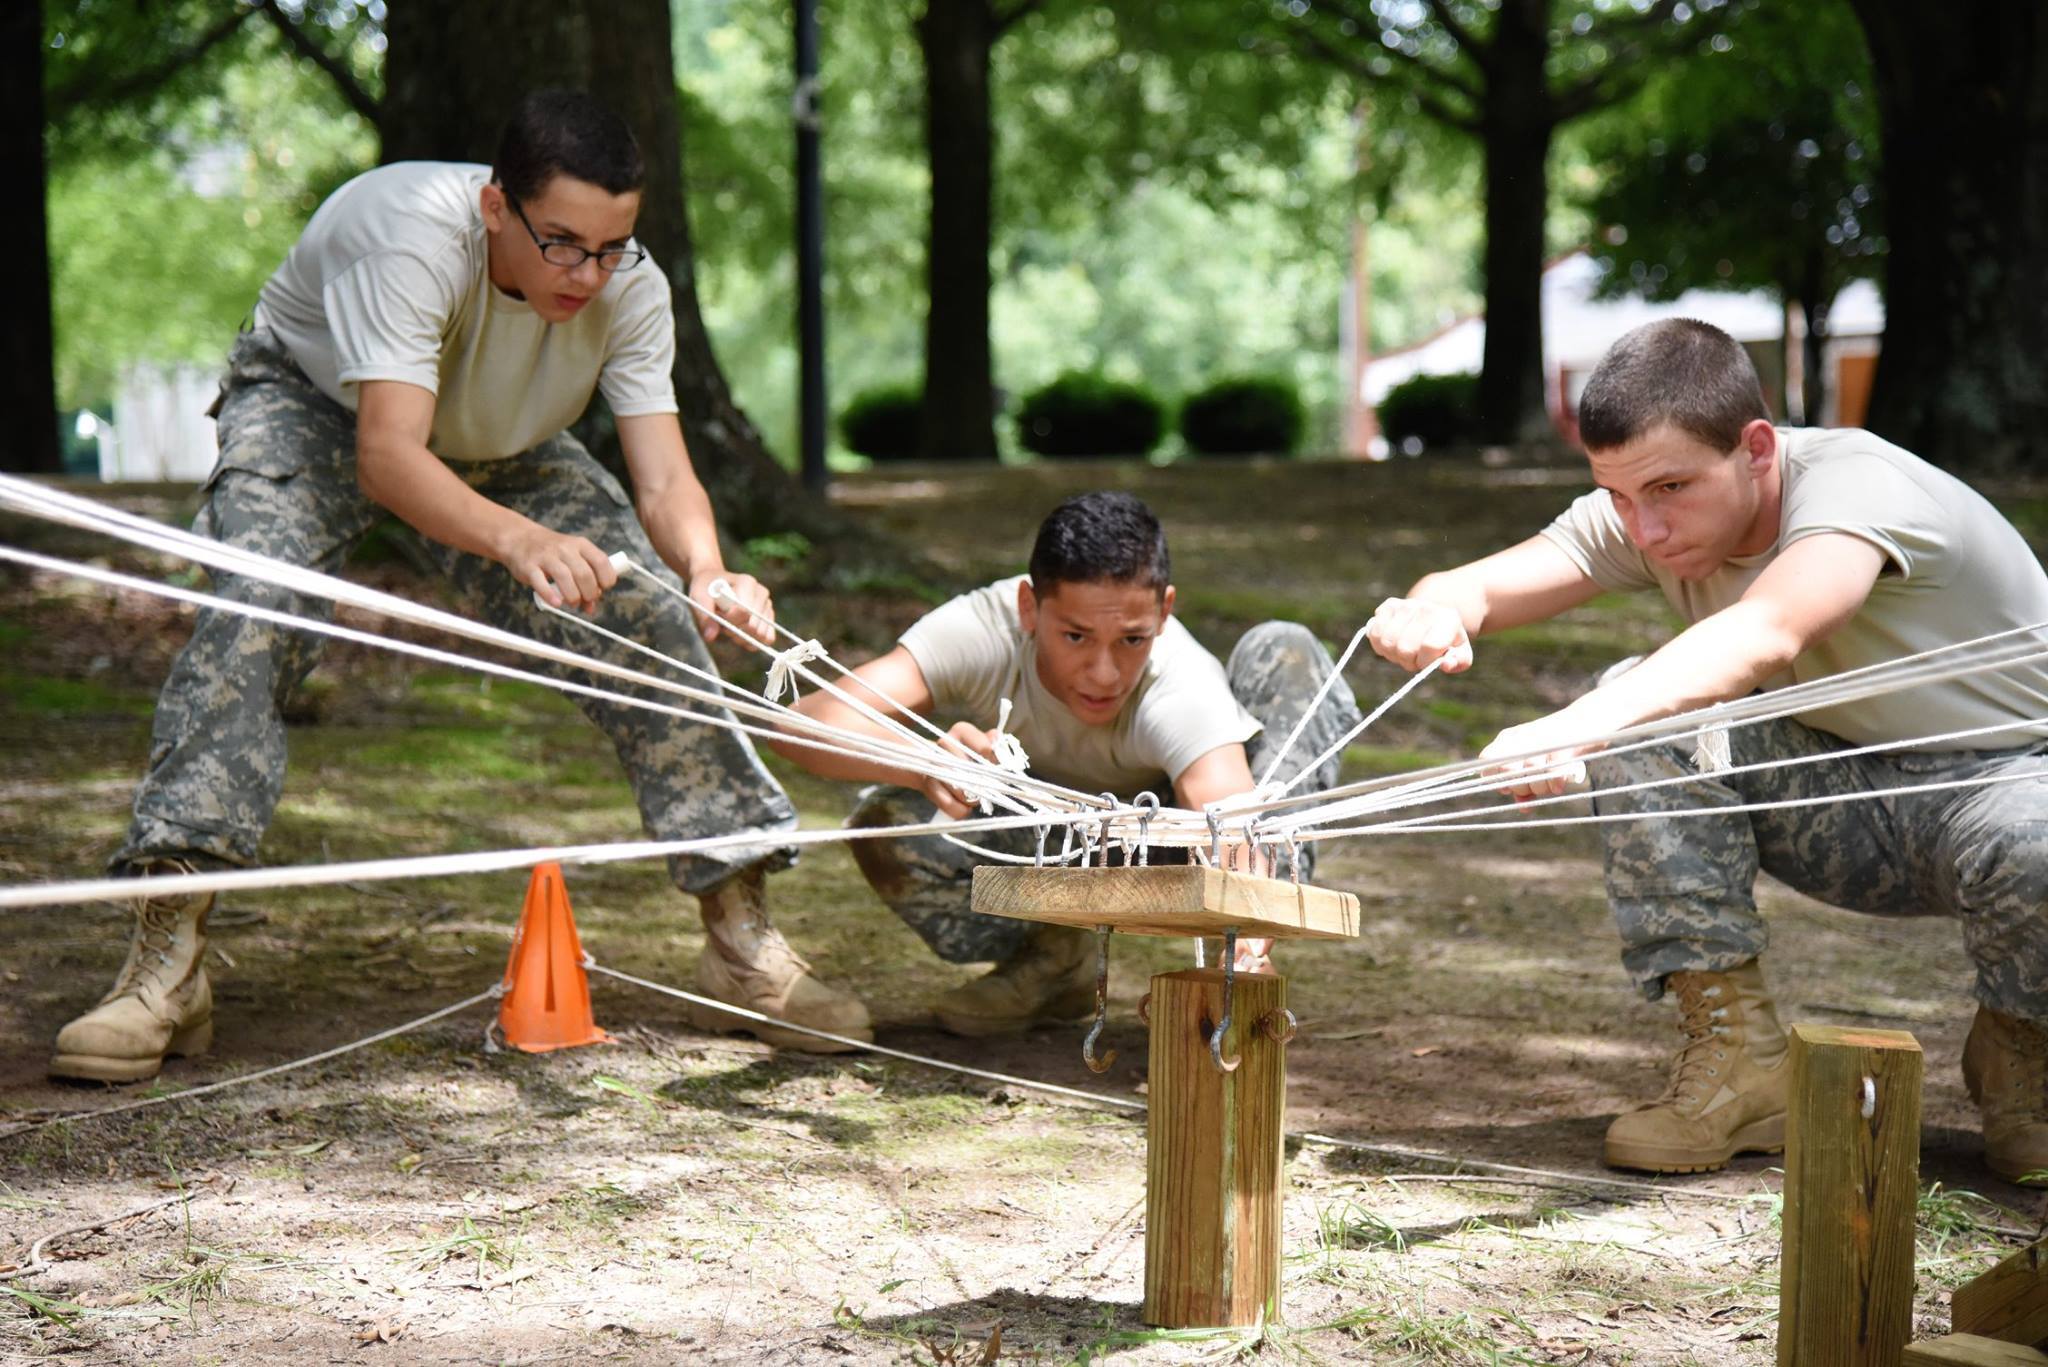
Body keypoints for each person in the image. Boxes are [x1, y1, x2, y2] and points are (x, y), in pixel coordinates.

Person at [49, 90, 868, 1084]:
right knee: (251, 617)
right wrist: (518, 541)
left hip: (499, 440)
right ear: (495, 210)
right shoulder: (407, 242)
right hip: (315, 406)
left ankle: (742, 938)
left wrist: (707, 568)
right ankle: (165, 963)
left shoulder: (628, 284)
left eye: (611, 247)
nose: (588, 274)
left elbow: (661, 475)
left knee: (648, 612)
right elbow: (389, 456)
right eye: (562, 243)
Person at [1366, 318, 2048, 1183]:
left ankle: (2025, 1053)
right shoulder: (1647, 501)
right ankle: (1742, 1065)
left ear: (1756, 448)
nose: (1644, 529)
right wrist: (1434, 609)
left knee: (2038, 839)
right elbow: (1481, 586)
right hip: (1833, 793)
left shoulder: (1858, 487)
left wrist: (1577, 722)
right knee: (1648, 718)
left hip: (2006, 785)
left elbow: (1767, 630)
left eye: (1670, 488)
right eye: (1617, 496)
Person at [768, 490, 1364, 1036]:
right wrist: (926, 765)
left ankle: (1249, 966)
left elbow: (1230, 828)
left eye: (1132, 639)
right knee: (891, 821)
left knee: (1283, 655)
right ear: (1029, 607)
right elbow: (801, 727)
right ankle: (1056, 962)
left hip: (1173, 847)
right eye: (1075, 636)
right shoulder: (984, 629)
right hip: (1055, 839)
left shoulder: (1182, 688)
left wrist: (1240, 957)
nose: (1104, 673)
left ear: (1165, 611)